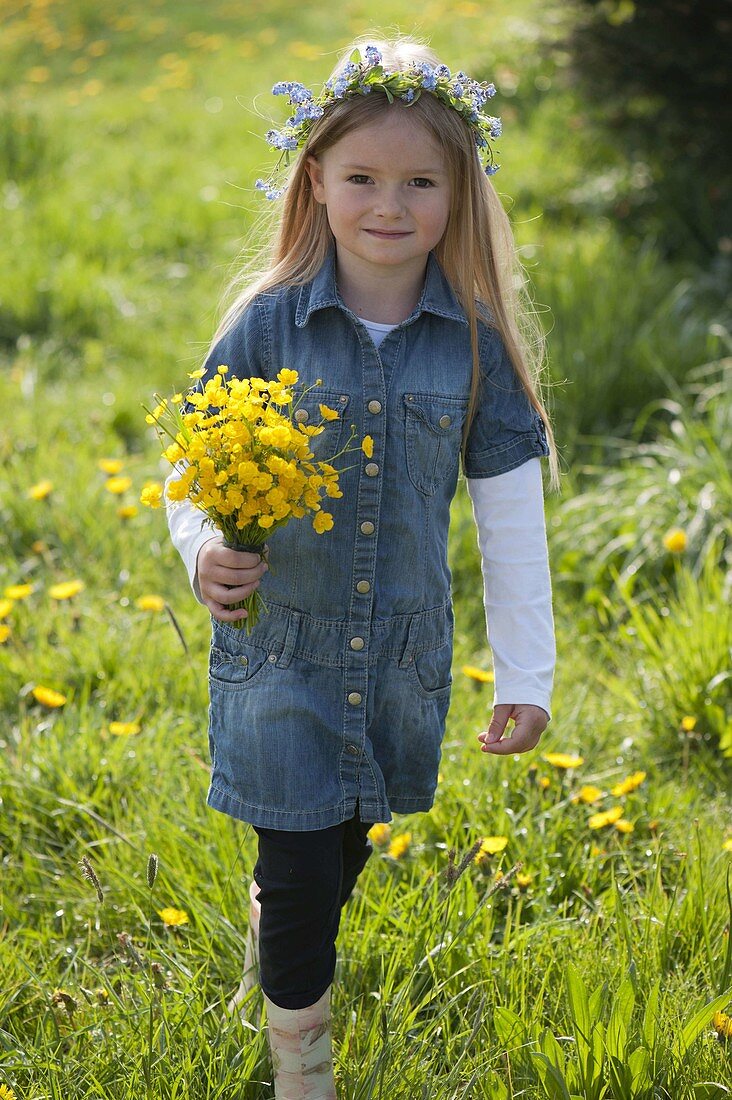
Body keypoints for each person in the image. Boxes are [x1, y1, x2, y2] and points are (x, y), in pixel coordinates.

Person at [165, 34, 560, 1100]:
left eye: (421, 181)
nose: (391, 204)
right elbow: (189, 463)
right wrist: (202, 543)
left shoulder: (470, 343)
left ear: (460, 193)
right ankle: (304, 1067)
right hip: (280, 654)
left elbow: (511, 517)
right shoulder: (268, 325)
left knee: (338, 854)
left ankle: (278, 931)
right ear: (317, 184)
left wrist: (527, 674)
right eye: (363, 179)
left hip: (394, 661)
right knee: (299, 870)